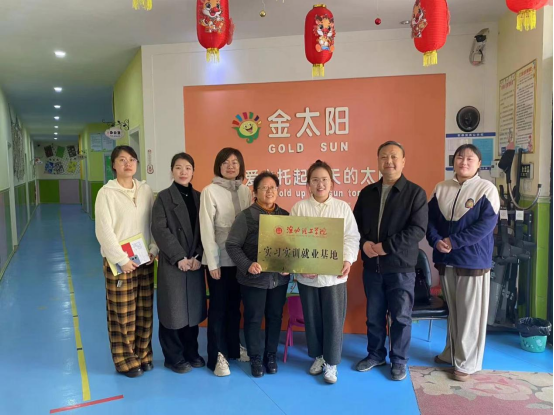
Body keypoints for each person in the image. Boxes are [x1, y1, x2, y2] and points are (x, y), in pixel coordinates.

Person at [353, 141, 428, 381]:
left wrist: (386, 247)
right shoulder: (367, 193)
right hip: (372, 268)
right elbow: (353, 226)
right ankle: (375, 355)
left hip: (401, 268)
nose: (389, 161)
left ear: (403, 161)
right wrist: (364, 243)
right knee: (374, 316)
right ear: (378, 161)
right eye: (384, 157)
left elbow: (417, 230)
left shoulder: (415, 193)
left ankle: (399, 360)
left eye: (394, 156)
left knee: (401, 317)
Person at [427, 144, 499, 382]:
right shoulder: (441, 188)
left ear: (479, 164)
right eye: (460, 157)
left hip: (472, 261)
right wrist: (436, 241)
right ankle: (451, 352)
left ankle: (467, 362)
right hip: (446, 259)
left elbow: (485, 226)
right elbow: (429, 220)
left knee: (470, 314)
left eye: (470, 158)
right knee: (453, 311)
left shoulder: (486, 189)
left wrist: (453, 241)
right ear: (454, 161)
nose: (464, 162)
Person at [290, 160, 360, 384]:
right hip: (308, 277)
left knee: (333, 320)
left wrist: (348, 259)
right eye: (315, 180)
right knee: (312, 319)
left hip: (334, 276)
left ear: (332, 183)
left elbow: (352, 237)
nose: (320, 184)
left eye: (324, 180)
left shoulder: (342, 207)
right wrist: (301, 266)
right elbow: (292, 241)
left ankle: (332, 363)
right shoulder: (299, 208)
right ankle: (318, 357)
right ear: (308, 184)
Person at [95, 146, 158, 378]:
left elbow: (153, 222)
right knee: (122, 314)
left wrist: (153, 248)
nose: (128, 164)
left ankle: (143, 354)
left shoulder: (145, 190)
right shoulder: (106, 193)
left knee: (144, 311)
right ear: (113, 165)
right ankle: (125, 360)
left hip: (144, 259)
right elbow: (104, 231)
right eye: (122, 160)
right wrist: (121, 259)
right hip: (119, 263)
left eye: (132, 159)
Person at [226, 172, 290, 378]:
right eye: (264, 187)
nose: (269, 191)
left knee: (275, 317)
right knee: (253, 318)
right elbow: (232, 245)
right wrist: (248, 264)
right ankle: (255, 357)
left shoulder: (286, 216)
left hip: (279, 279)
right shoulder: (246, 216)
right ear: (255, 191)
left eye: (273, 187)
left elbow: (292, 247)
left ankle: (270, 355)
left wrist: (289, 265)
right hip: (253, 279)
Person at [151, 153, 206, 374]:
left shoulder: (200, 197)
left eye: (188, 168)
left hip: (194, 263)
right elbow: (159, 229)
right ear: (172, 171)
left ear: (193, 171)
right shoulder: (163, 198)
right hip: (173, 262)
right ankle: (173, 357)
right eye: (178, 167)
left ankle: (191, 352)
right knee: (172, 311)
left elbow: (206, 230)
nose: (183, 172)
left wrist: (198, 257)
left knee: (192, 311)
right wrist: (179, 257)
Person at [200, 148, 252, 376]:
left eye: (235, 162)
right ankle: (217, 356)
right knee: (218, 309)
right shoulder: (209, 191)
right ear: (218, 166)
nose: (231, 166)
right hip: (219, 260)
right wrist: (212, 263)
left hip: (240, 261)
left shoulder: (246, 191)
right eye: (226, 162)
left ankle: (233, 347)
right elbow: (206, 229)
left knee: (235, 307)